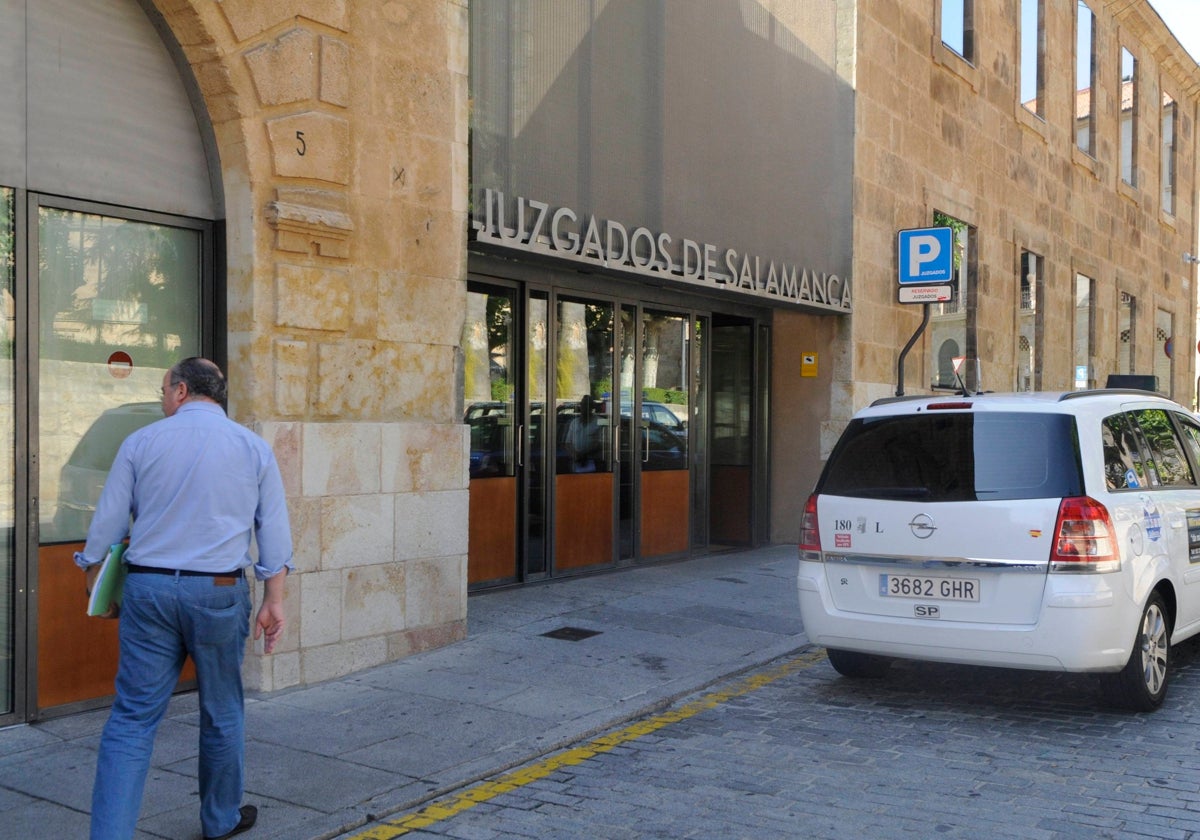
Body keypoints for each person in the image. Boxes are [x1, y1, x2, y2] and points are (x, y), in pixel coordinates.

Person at [76, 357, 293, 840]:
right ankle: (220, 821)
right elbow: (273, 532)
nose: (160, 399)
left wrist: (94, 576)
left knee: (132, 718)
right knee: (221, 710)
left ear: (178, 391)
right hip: (218, 590)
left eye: (161, 390)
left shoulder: (142, 442)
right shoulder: (252, 448)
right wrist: (273, 599)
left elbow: (108, 522)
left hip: (149, 589)